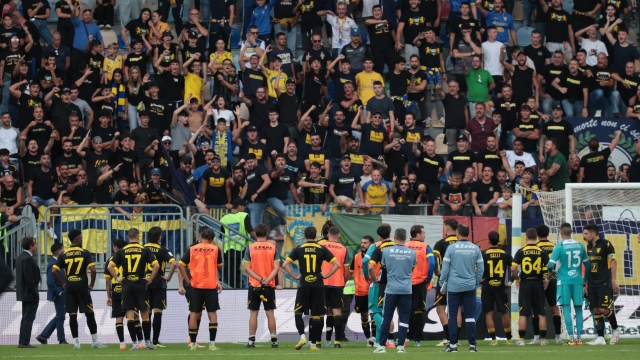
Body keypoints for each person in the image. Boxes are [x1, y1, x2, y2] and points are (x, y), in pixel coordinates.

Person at [282, 226, 340, 351]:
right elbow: (337, 264)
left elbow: (285, 264)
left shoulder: (299, 249)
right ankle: (313, 344)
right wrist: (325, 275)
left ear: (304, 237)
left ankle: (303, 336)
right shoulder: (321, 248)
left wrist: (296, 276)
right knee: (317, 315)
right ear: (316, 237)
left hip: (304, 285)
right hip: (318, 285)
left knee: (298, 312)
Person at [52, 229, 107, 349]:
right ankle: (95, 341)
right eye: (81, 238)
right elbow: (93, 270)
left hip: (70, 287)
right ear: (77, 240)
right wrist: (91, 284)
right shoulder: (85, 253)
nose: (82, 239)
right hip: (82, 287)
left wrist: (62, 283)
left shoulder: (64, 254)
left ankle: (76, 343)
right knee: (89, 313)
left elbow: (54, 270)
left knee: (72, 315)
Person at [107, 227, 160, 350]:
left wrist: (119, 279)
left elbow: (110, 266)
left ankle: (135, 344)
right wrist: (151, 279)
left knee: (130, 315)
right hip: (140, 284)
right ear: (138, 237)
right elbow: (156, 265)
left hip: (127, 285)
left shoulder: (121, 251)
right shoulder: (144, 250)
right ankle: (147, 343)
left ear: (127, 237)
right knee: (145, 315)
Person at [177, 226, 223, 350]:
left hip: (195, 285)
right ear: (212, 239)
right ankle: (212, 344)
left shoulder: (192, 249)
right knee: (212, 314)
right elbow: (217, 266)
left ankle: (192, 344)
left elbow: (180, 265)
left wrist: (187, 280)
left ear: (201, 237)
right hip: (210, 285)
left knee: (194, 314)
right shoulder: (215, 249)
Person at [439, 223, 483, 353]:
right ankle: (472, 346)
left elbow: (445, 269)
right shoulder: (475, 248)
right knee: (470, 316)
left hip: (453, 287)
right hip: (469, 286)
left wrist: (442, 283)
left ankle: (453, 346)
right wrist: (475, 281)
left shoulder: (451, 248)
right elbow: (481, 269)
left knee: (452, 315)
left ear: (457, 233)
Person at [371, 228, 415, 354]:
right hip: (406, 289)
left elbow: (385, 268)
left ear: (394, 237)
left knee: (387, 317)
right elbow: (412, 268)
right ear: (406, 238)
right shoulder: (411, 253)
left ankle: (381, 346)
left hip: (391, 289)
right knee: (404, 318)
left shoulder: (387, 251)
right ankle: (401, 346)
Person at [548, 223, 589, 346]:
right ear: (571, 231)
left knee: (566, 309)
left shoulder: (559, 246)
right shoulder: (581, 246)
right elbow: (587, 265)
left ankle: (571, 338)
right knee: (579, 309)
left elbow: (550, 265)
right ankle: (579, 338)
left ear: (561, 233)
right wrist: (584, 279)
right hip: (577, 281)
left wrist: (551, 273)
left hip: (564, 282)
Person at [243, 223, 281, 348]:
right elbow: (277, 267)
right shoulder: (273, 247)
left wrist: (259, 279)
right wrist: (268, 279)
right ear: (266, 234)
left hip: (254, 284)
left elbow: (246, 268)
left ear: (255, 233)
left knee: (254, 313)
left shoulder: (250, 248)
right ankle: (274, 341)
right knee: (270, 313)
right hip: (269, 285)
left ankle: (251, 341)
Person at [584, 223, 622, 345]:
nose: (583, 236)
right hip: (592, 282)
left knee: (603, 309)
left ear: (593, 233)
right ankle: (600, 338)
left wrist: (613, 281)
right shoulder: (589, 245)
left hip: (604, 282)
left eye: (586, 233)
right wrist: (586, 283)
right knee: (595, 309)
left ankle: (616, 329)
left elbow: (614, 261)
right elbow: (589, 265)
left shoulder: (606, 244)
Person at [511, 228, 550, 346]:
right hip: (538, 283)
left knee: (523, 313)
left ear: (526, 237)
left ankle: (521, 340)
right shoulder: (542, 251)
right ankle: (543, 340)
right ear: (536, 237)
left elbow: (513, 268)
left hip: (526, 283)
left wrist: (517, 278)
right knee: (541, 313)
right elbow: (550, 268)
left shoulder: (521, 251)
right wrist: (547, 280)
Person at [105, 238, 144, 350]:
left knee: (119, 318)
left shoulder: (110, 261)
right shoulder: (127, 257)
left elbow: (107, 281)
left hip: (116, 292)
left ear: (116, 248)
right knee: (134, 317)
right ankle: (140, 341)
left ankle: (122, 343)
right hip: (128, 289)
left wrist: (109, 296)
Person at [363, 223, 397, 348]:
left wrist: (369, 277)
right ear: (390, 233)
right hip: (394, 283)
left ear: (379, 236)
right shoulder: (396, 246)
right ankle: (378, 342)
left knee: (374, 310)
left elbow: (365, 261)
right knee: (385, 311)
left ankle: (385, 334)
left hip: (378, 282)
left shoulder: (375, 246)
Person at [143, 226, 176, 347]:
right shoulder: (163, 249)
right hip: (158, 283)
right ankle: (155, 341)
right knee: (158, 312)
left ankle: (147, 341)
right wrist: (168, 277)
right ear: (159, 237)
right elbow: (174, 263)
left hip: (145, 283)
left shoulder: (143, 248)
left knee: (146, 312)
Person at [317, 226, 349, 348]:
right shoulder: (343, 248)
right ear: (339, 235)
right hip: (337, 284)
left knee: (321, 312)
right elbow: (346, 270)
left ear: (327, 234)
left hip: (322, 283)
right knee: (336, 312)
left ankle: (319, 342)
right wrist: (343, 281)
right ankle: (337, 342)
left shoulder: (321, 246)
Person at [481, 231, 513, 345]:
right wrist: (510, 282)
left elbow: (476, 269)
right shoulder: (505, 253)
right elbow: (514, 268)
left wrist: (479, 279)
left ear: (488, 240)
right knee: (504, 313)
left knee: (489, 313)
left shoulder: (483, 253)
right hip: (500, 286)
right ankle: (509, 339)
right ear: (498, 240)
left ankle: (494, 340)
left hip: (487, 286)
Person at [406, 225, 435, 347]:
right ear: (417, 235)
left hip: (405, 283)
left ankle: (407, 336)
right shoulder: (426, 247)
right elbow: (432, 263)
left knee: (406, 310)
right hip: (420, 283)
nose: (424, 235)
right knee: (419, 311)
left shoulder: (405, 245)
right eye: (423, 233)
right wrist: (427, 279)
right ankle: (417, 339)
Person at [37, 243, 67, 345]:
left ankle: (44, 335)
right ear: (60, 251)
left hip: (61, 293)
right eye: (63, 249)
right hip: (58, 294)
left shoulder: (57, 262)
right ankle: (61, 339)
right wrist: (59, 293)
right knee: (60, 316)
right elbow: (50, 282)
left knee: (60, 316)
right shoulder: (52, 264)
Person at [349, 235, 376, 346]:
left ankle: (374, 338)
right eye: (362, 242)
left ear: (371, 245)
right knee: (364, 315)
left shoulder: (375, 257)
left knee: (374, 314)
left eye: (365, 243)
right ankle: (368, 339)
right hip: (360, 291)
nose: (362, 245)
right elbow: (351, 272)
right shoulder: (356, 257)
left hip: (373, 290)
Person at [16, 237, 40, 348]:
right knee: (29, 317)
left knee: (25, 317)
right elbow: (29, 278)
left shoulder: (21, 257)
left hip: (23, 292)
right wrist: (35, 291)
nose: (36, 246)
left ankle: (22, 340)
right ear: (31, 246)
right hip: (30, 293)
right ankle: (24, 341)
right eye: (35, 244)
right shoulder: (28, 259)